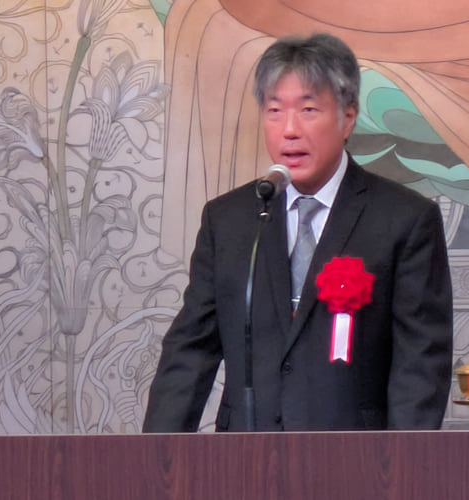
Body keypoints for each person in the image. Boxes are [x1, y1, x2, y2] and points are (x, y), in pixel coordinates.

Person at [143, 33, 453, 432]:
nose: (289, 129)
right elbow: (190, 351)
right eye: (274, 110)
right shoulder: (229, 220)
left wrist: (400, 464)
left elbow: (420, 366)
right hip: (246, 456)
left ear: (347, 118)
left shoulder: (404, 219)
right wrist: (157, 456)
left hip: (356, 459)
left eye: (308, 110)